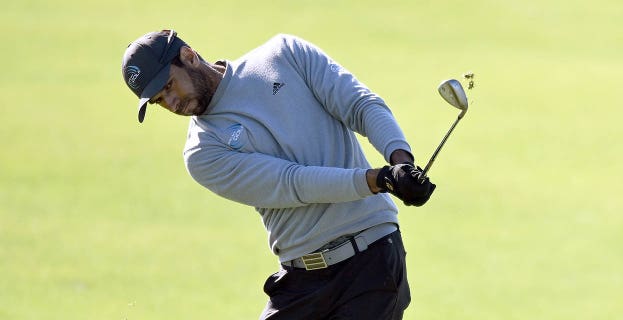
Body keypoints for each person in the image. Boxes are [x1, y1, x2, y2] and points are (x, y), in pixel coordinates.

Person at [121, 29, 436, 320]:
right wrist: (380, 179)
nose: (172, 104)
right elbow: (293, 183)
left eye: (168, 86)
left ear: (189, 56)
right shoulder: (202, 153)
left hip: (371, 261)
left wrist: (400, 160)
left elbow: (360, 105)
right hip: (301, 281)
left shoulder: (285, 54)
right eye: (160, 101)